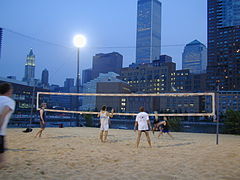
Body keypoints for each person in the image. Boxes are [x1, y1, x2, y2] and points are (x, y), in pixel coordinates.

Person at [0, 83, 15, 168]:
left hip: (2, 133)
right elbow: (3, 115)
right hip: (0, 132)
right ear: (9, 91)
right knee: (2, 162)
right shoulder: (9, 101)